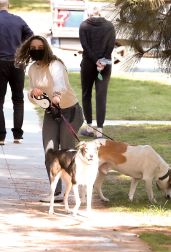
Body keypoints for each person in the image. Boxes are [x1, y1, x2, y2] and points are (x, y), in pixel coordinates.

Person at [15, 35, 84, 202]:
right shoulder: (32, 69)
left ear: (45, 48)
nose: (36, 50)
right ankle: (55, 192)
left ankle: (70, 191)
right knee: (50, 151)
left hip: (69, 111)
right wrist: (33, 94)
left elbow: (60, 83)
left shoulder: (55, 64)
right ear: (28, 50)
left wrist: (57, 96)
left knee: (67, 152)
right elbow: (33, 94)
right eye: (33, 48)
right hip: (51, 113)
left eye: (40, 47)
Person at [0, 0, 33, 145]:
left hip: (0, 63)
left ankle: (1, 136)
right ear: (9, 6)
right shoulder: (18, 20)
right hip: (17, 63)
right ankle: (17, 135)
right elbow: (31, 36)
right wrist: (22, 50)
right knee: (18, 99)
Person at [79, 6, 116, 138]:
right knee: (101, 96)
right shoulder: (110, 26)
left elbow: (85, 47)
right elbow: (110, 46)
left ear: (89, 14)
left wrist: (96, 61)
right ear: (100, 13)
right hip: (105, 66)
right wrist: (103, 61)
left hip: (88, 64)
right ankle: (99, 130)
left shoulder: (84, 26)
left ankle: (89, 128)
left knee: (86, 94)